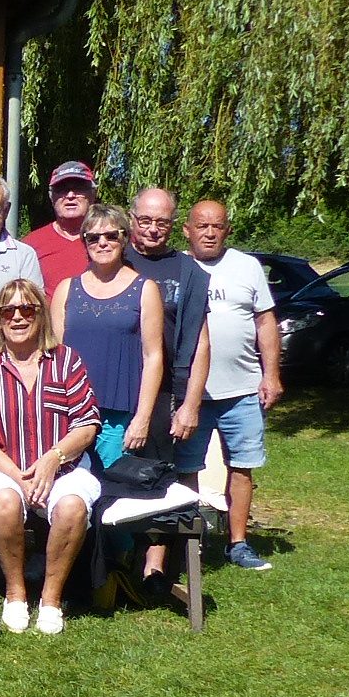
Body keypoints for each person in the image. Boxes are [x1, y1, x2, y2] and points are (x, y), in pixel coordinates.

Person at [0, 277, 100, 635]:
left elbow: (87, 424)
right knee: (5, 501)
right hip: (2, 468)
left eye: (28, 309)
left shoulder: (66, 360)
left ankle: (51, 600)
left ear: (41, 315)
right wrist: (16, 474)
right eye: (9, 311)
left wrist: (53, 458)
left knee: (72, 505)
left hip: (63, 467)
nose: (18, 317)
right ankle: (16, 592)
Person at [184, 198, 283, 572]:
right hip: (192, 392)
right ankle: (188, 543)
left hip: (242, 388)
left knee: (241, 467)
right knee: (186, 469)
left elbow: (266, 323)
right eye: (202, 226)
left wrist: (270, 374)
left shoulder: (247, 267)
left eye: (217, 226)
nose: (210, 232)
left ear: (227, 230)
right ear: (187, 230)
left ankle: (238, 543)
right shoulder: (179, 268)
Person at [126, 185, 213, 596]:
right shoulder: (113, 255)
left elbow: (201, 344)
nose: (152, 229)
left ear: (174, 226)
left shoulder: (189, 272)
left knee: (158, 476)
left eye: (161, 222)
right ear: (131, 219)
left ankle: (154, 569)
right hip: (112, 385)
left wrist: (191, 404)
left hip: (165, 392)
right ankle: (108, 561)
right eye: (145, 220)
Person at [52, 203, 167, 486]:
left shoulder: (145, 289)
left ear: (124, 238)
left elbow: (153, 357)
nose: (102, 242)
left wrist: (142, 417)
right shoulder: (67, 289)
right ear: (84, 242)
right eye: (93, 237)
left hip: (116, 416)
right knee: (68, 491)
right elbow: (53, 355)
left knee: (111, 492)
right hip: (69, 413)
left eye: (111, 235)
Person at [21, 160, 99, 295]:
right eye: (62, 189)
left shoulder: (109, 240)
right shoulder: (30, 245)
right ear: (51, 197)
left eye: (78, 188)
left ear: (92, 195)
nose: (70, 196)